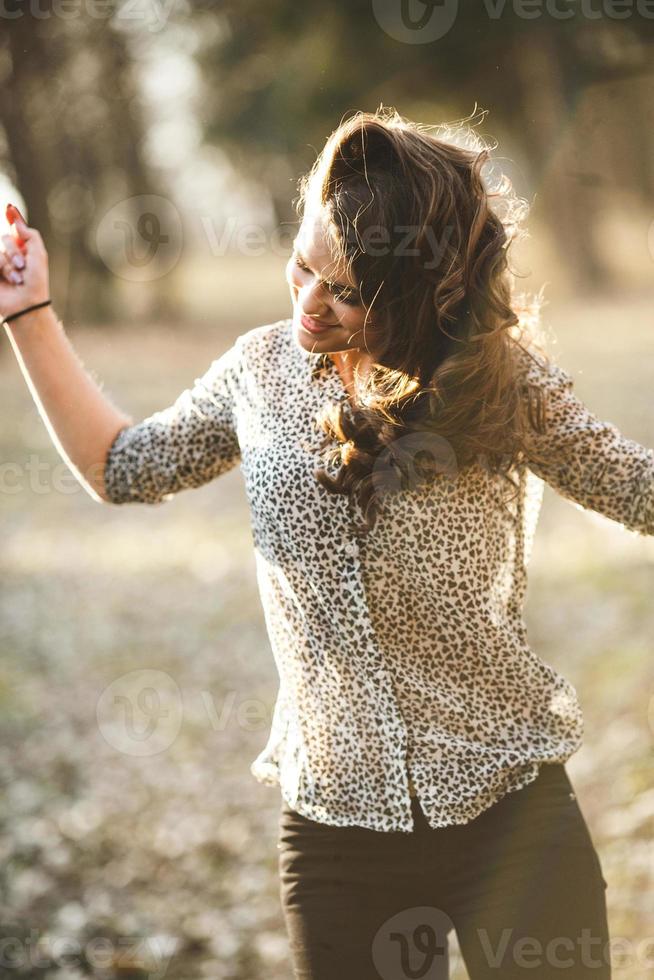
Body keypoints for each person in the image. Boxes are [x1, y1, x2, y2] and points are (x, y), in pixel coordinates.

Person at [4, 106, 651, 979]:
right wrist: (29, 309)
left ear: (422, 293)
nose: (309, 304)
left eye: (347, 291)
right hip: (337, 837)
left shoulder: (502, 385)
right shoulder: (258, 370)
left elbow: (641, 490)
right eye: (303, 264)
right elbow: (123, 466)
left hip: (512, 818)